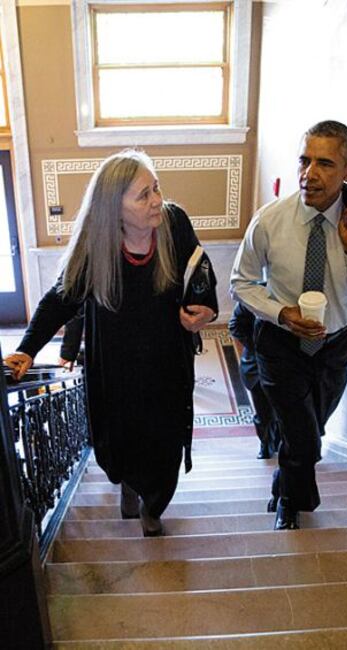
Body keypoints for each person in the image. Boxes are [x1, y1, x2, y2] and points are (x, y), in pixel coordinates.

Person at [5, 149, 218, 537]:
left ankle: (153, 506)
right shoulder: (96, 246)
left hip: (168, 360)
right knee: (122, 436)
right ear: (113, 208)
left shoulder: (174, 222)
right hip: (115, 365)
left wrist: (207, 309)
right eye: (143, 195)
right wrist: (27, 349)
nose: (157, 201)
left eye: (156, 189)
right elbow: (59, 300)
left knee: (165, 440)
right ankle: (129, 483)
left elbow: (200, 271)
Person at [230, 120, 347, 530]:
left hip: (337, 347)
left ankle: (283, 479)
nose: (309, 173)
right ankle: (292, 503)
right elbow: (241, 282)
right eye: (304, 160)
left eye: (324, 163)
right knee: (304, 440)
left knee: (310, 429)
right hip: (281, 347)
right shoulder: (270, 221)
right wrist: (281, 313)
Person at [229, 301, 280, 459]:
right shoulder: (254, 297)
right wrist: (257, 346)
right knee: (263, 412)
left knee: (283, 410)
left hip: (287, 368)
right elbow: (235, 325)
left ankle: (279, 441)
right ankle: (266, 445)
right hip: (256, 368)